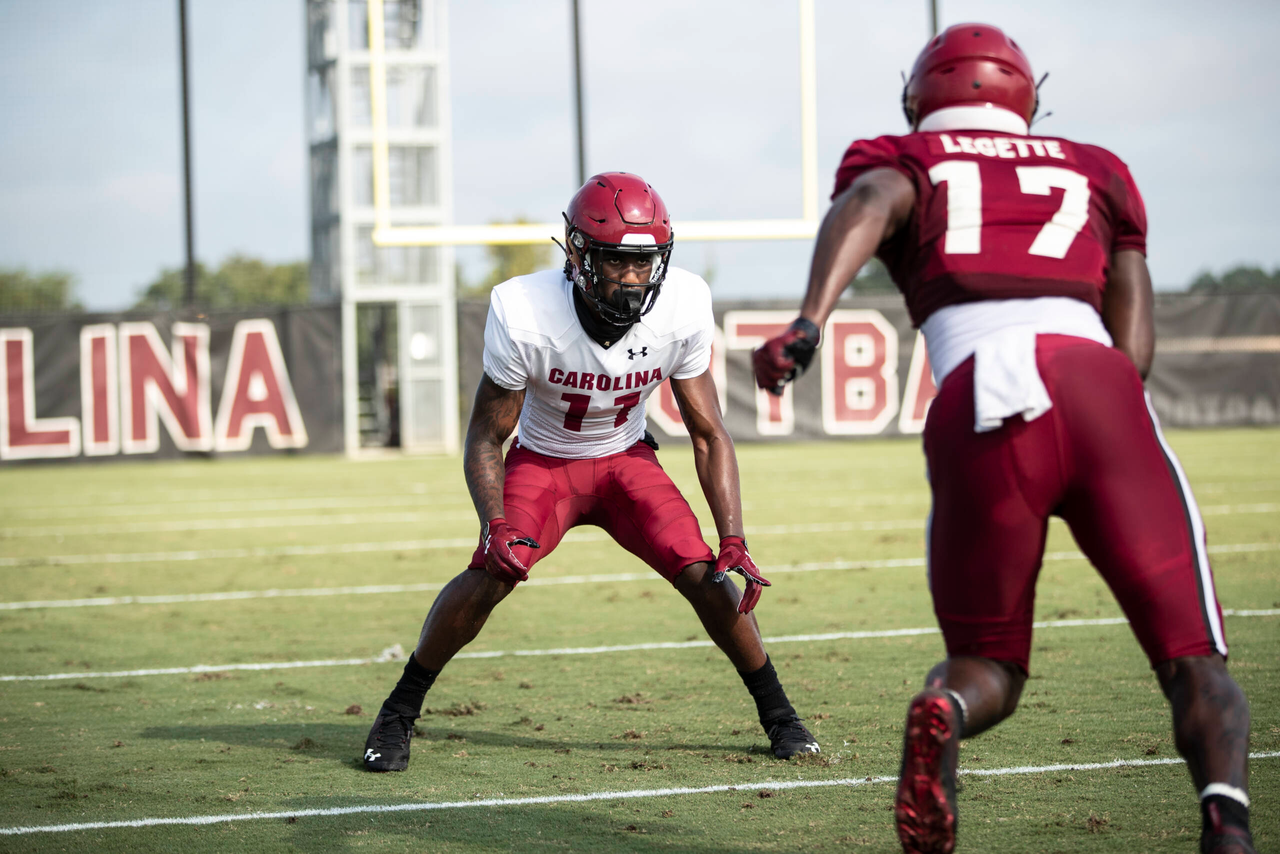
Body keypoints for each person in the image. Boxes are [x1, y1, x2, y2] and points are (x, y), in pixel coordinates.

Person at [753, 24, 1252, 854]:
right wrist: (1106, 420)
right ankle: (1226, 819)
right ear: (1029, 94)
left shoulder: (902, 155)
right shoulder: (1095, 166)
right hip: (1097, 381)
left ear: (919, 98)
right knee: (1195, 659)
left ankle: (947, 709)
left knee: (984, 663)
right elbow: (1134, 347)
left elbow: (869, 205)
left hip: (979, 394)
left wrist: (808, 323)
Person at [363, 171, 820, 773]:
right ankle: (397, 711)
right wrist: (494, 524)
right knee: (494, 571)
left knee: (709, 575)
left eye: (646, 262)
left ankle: (781, 716)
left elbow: (709, 432)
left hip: (627, 461)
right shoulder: (524, 309)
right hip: (545, 464)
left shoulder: (680, 304)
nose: (635, 279)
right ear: (577, 253)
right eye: (617, 263)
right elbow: (486, 435)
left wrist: (732, 534)